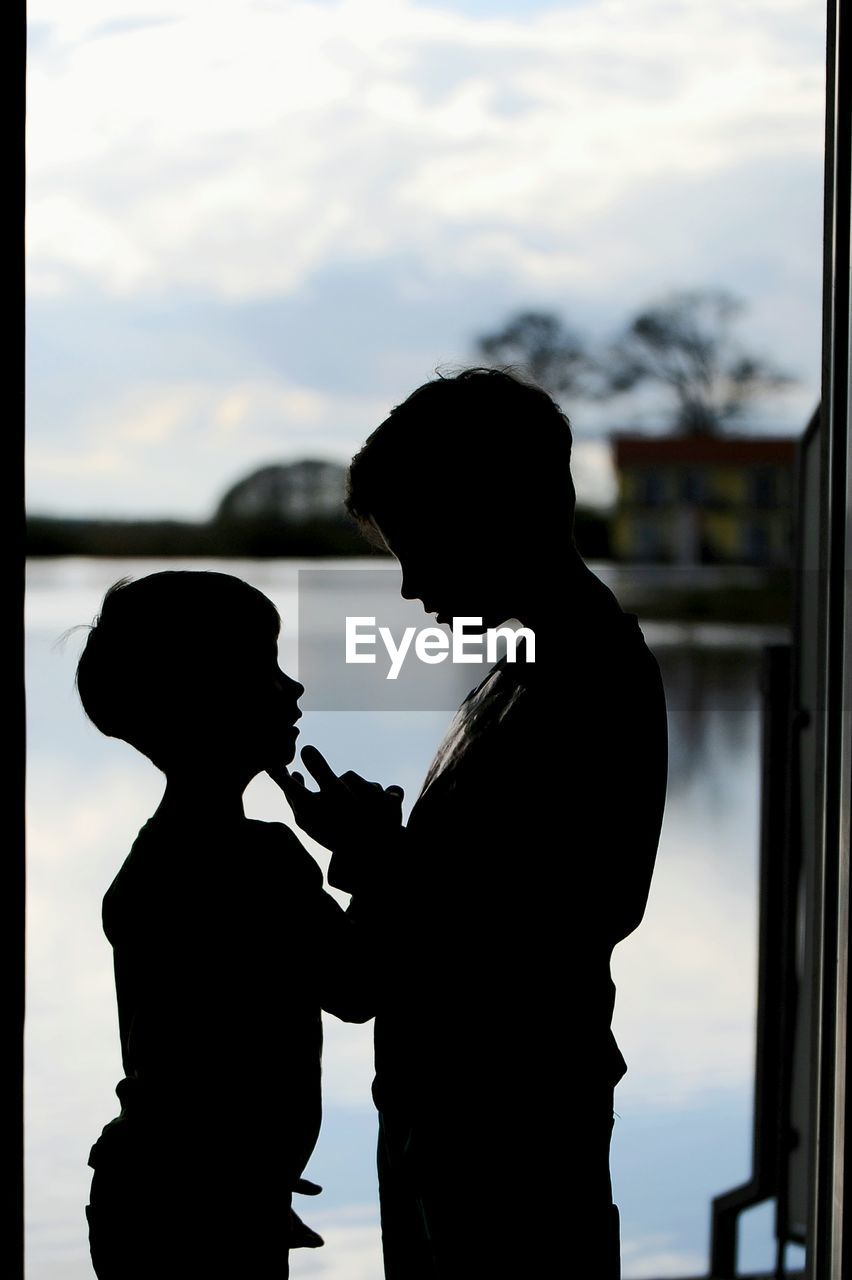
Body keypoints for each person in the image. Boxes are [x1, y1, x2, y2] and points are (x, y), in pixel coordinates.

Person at [276, 368, 669, 1277]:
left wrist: (378, 861)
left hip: (509, 1127)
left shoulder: (585, 681)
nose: (410, 588)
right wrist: (376, 852)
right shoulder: (524, 673)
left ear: (495, 511)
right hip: (458, 1115)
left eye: (415, 544)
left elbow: (577, 911)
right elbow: (491, 887)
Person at [75, 570, 378, 1279]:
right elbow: (360, 987)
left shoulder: (153, 861)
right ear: (206, 700)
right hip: (209, 1210)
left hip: (149, 1188)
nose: (293, 690)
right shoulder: (260, 864)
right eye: (266, 670)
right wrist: (366, 854)